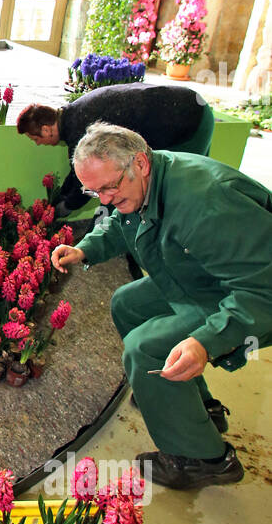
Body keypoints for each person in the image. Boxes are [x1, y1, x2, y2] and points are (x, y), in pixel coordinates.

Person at [50, 123, 272, 490]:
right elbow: (122, 221)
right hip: (203, 278)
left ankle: (202, 459)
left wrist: (205, 342)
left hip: (247, 295)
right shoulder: (142, 181)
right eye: (93, 191)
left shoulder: (205, 201)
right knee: (127, 303)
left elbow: (262, 291)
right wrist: (86, 248)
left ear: (140, 162)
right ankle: (195, 407)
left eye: (109, 187)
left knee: (144, 350)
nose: (103, 200)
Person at [17, 82, 214, 217]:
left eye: (35, 138)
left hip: (188, 119)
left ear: (46, 129)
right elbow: (78, 176)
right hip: (190, 103)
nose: (37, 144)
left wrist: (65, 207)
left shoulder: (80, 129)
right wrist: (60, 197)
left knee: (181, 187)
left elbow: (87, 184)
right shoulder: (73, 116)